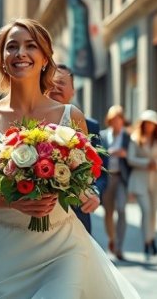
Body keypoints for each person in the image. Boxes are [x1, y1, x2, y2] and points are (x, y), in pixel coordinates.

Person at [0, 18, 139, 298]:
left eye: (30, 46)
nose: (20, 53)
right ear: (2, 59)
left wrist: (87, 193)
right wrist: (13, 201)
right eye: (11, 47)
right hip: (4, 247)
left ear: (45, 58)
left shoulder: (72, 116)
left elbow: (82, 177)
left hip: (63, 246)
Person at [49, 64, 105, 233]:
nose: (56, 87)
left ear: (73, 91)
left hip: (76, 215)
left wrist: (94, 192)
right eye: (51, 82)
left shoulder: (90, 126)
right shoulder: (29, 124)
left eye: (61, 82)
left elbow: (100, 168)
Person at [127, 110, 157, 260]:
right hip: (139, 180)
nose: (149, 126)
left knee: (153, 212)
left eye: (152, 124)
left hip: (156, 180)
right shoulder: (135, 138)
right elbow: (130, 159)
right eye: (146, 123)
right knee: (146, 211)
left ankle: (152, 239)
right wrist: (146, 163)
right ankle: (147, 242)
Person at [100, 105, 131, 260]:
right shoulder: (103, 136)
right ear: (109, 121)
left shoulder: (127, 137)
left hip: (121, 178)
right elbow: (98, 155)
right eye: (113, 120)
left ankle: (119, 246)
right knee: (108, 212)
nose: (116, 123)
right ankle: (111, 238)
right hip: (107, 177)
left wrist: (125, 154)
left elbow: (132, 157)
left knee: (122, 209)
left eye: (119, 120)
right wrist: (110, 152)